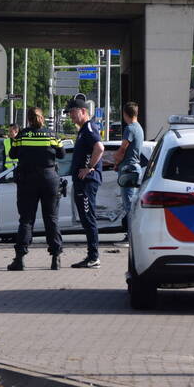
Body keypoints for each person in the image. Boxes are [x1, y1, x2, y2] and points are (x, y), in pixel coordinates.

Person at [6, 108, 65, 271]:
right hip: (49, 179)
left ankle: (20, 259)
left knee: (26, 219)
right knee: (51, 218)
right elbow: (62, 154)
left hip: (27, 180)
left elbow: (12, 154)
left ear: (28, 119)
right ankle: (55, 258)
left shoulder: (22, 135)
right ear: (42, 118)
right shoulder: (52, 135)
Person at [65, 98, 105, 268]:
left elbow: (100, 148)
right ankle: (91, 255)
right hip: (82, 182)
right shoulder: (83, 130)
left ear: (82, 110)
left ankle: (94, 257)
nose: (70, 116)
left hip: (87, 182)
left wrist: (89, 167)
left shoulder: (89, 128)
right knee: (85, 218)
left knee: (88, 218)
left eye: (72, 112)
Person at [111, 102, 144, 243]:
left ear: (125, 114)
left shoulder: (130, 129)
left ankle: (131, 236)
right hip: (134, 168)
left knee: (129, 204)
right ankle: (131, 235)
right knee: (131, 203)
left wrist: (116, 160)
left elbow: (123, 148)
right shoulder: (139, 128)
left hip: (128, 168)